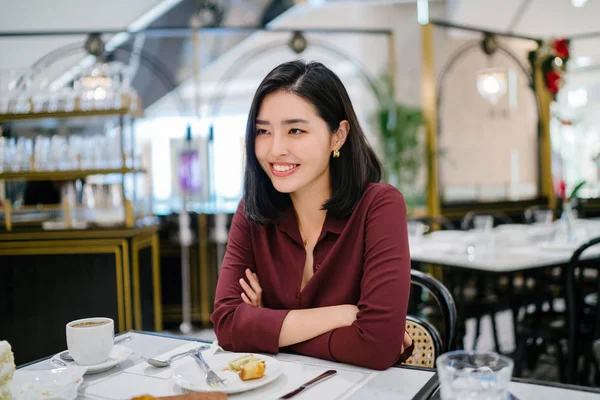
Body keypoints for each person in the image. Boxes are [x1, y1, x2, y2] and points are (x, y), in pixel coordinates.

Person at [211, 60, 413, 370]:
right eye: (263, 131)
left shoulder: (380, 206)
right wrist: (340, 316)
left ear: (338, 136)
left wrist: (265, 327)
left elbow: (377, 347)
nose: (275, 149)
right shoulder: (252, 213)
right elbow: (226, 325)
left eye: (295, 130)